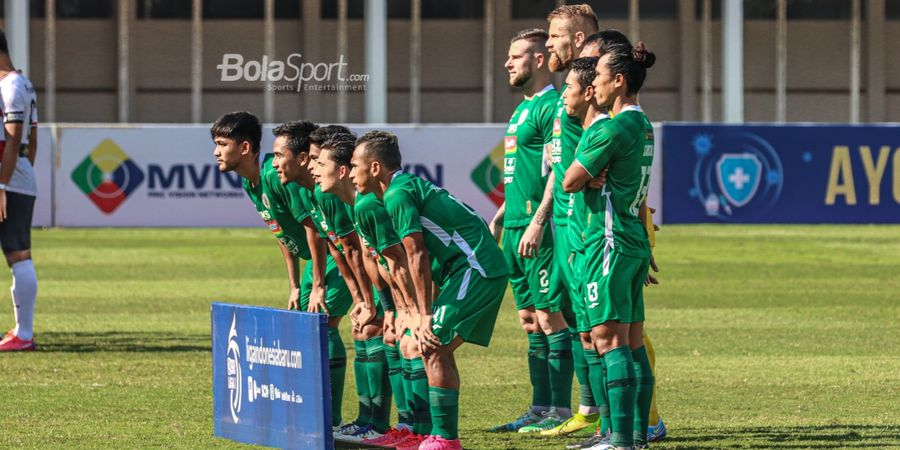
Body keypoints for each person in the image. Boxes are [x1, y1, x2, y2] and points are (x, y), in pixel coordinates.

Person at [364, 130, 508, 450]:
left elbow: (416, 255)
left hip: (475, 268)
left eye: (356, 165)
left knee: (433, 344)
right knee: (436, 347)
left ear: (374, 168)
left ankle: (445, 439)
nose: (352, 172)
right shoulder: (404, 186)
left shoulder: (396, 194)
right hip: (469, 268)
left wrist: (423, 314)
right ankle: (440, 435)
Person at [562, 41, 657, 450]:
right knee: (632, 340)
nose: (594, 86)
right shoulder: (643, 125)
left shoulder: (614, 128)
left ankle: (617, 439)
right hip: (632, 238)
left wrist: (587, 172)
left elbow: (569, 181)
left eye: (599, 77)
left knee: (608, 338)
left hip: (609, 239)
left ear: (618, 82)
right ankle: (634, 435)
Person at [489, 27, 574, 434]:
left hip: (539, 229)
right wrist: (502, 214)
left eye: (516, 56)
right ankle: (539, 407)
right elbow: (524, 173)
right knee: (528, 319)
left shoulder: (552, 107)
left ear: (539, 60)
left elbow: (558, 173)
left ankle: (560, 410)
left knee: (550, 316)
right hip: (515, 226)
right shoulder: (522, 109)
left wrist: (539, 222)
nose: (507, 63)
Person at [541, 4, 602, 437]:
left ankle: (638, 422)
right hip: (564, 222)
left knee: (609, 328)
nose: (548, 44)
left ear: (577, 39)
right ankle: (589, 409)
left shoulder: (599, 91)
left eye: (555, 36)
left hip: (587, 224)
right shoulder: (569, 90)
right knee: (577, 321)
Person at [308, 127, 388, 442]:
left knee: (393, 340)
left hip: (407, 280)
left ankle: (386, 425)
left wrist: (387, 304)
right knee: (368, 331)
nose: (311, 168)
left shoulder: (366, 203)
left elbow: (374, 254)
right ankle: (369, 421)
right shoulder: (335, 196)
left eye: (316, 161)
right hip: (382, 281)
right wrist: (362, 299)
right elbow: (344, 250)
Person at [0, 29, 39, 352]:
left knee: (17, 253)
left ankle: (24, 335)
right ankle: (22, 332)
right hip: (18, 174)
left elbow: (14, 139)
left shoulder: (10, 85)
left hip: (8, 177)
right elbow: (34, 135)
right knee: (18, 252)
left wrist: (3, 183)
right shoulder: (23, 82)